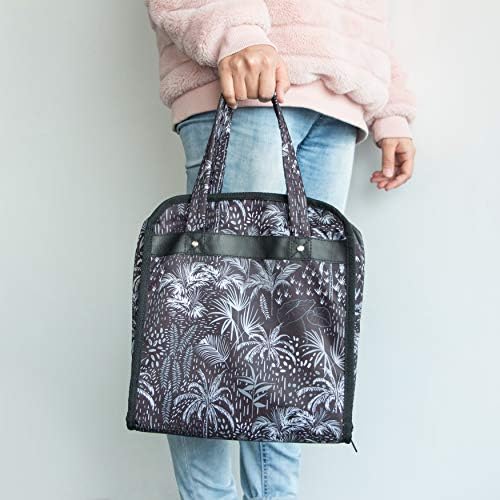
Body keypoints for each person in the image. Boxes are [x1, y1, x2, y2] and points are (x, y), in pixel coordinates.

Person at [144, 1, 416, 499]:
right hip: (248, 78)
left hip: (340, 104)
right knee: (208, 340)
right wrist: (237, 34)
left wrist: (390, 106)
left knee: (292, 344)